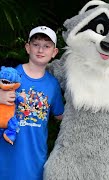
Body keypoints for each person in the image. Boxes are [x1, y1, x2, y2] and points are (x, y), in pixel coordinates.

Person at [0, 26, 64, 180]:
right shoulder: (10, 75)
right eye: (36, 44)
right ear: (28, 48)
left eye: (47, 46)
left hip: (35, 162)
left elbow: (61, 117)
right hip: (6, 159)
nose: (40, 49)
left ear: (54, 52)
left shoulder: (53, 85)